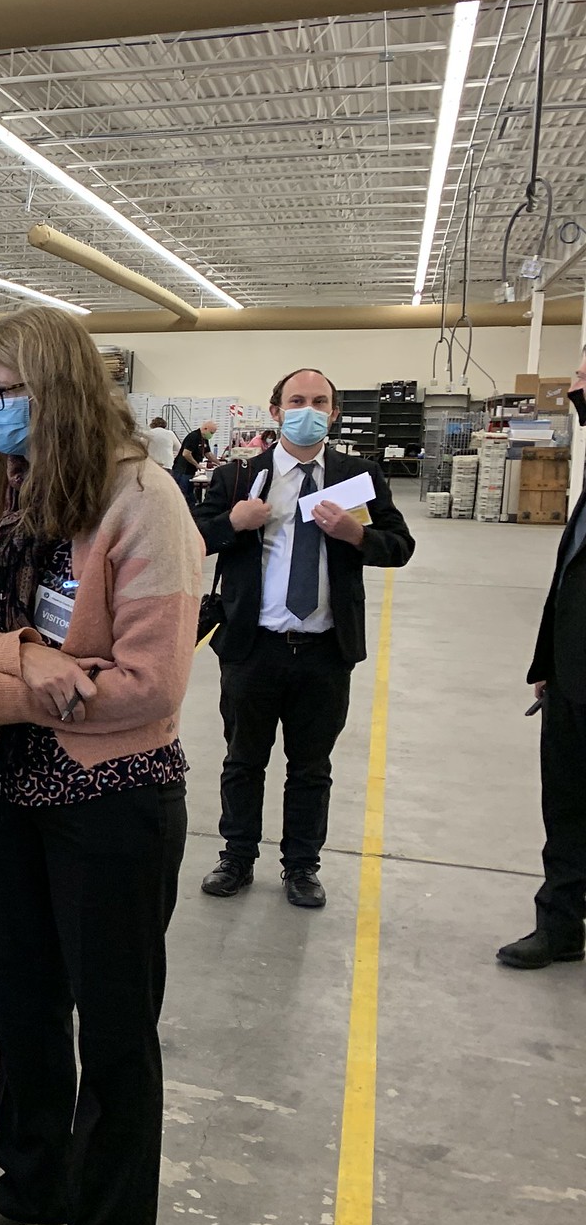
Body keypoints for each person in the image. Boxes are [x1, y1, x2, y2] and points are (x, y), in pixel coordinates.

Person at [0, 307, 202, 1225]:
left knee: (114, 1028)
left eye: (0, 391)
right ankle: (32, 1184)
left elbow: (143, 685)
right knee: (23, 1002)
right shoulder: (1, 500)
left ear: (57, 391)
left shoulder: (142, 503)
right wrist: (36, 671)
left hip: (109, 802)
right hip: (2, 789)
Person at [195, 368, 414, 908]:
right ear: (275, 411)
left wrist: (356, 534)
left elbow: (400, 545)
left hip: (324, 652)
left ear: (334, 413)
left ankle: (301, 867)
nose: (308, 409)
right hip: (253, 646)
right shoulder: (240, 476)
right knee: (243, 760)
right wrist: (235, 523)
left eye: (320, 401)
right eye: (297, 400)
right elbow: (191, 538)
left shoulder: (357, 477)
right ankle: (237, 857)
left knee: (311, 767)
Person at [500, 347, 586, 968]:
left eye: (583, 373)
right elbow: (567, 584)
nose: (573, 385)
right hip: (571, 680)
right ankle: (559, 923)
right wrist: (546, 665)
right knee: (565, 808)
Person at [173, 417, 214, 496]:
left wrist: (219, 464)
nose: (211, 435)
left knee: (190, 493)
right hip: (183, 470)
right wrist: (197, 465)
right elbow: (186, 453)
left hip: (191, 470)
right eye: (211, 432)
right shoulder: (193, 436)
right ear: (205, 429)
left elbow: (208, 454)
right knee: (183, 494)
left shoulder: (204, 438)